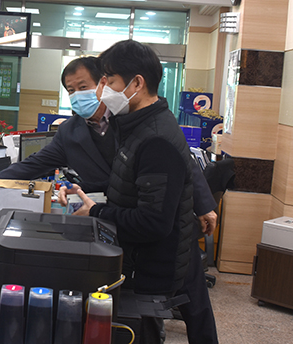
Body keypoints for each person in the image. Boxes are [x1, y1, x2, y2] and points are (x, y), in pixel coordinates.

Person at [0, 56, 218, 343]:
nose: (77, 95)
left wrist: (205, 204)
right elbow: (32, 164)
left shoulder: (129, 116)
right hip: (114, 226)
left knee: (195, 303)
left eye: (83, 86)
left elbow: (180, 157)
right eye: (70, 90)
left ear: (103, 83)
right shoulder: (70, 131)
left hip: (160, 218)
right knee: (139, 308)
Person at [69, 40, 215, 343]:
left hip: (152, 266)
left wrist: (95, 211)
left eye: (109, 80)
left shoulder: (156, 138)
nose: (102, 88)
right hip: (141, 257)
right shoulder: (137, 125)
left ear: (137, 83)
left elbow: (152, 222)